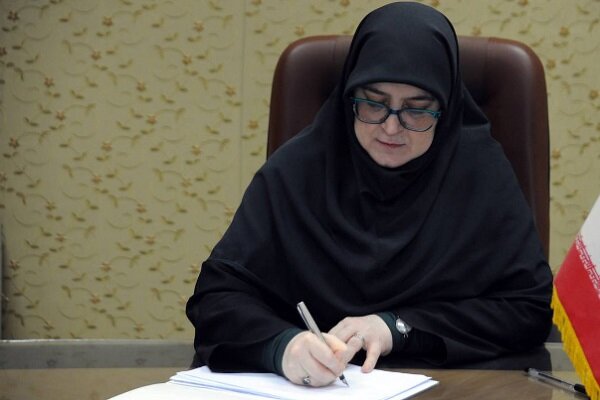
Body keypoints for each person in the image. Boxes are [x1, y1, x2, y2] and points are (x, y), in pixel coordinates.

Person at [186, 1, 553, 387]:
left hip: (450, 389)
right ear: (350, 97)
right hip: (312, 389)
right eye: (374, 103)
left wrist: (399, 327)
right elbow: (216, 298)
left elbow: (527, 309)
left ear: (445, 110)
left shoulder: (481, 177)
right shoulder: (297, 171)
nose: (391, 128)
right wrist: (282, 347)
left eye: (417, 110)